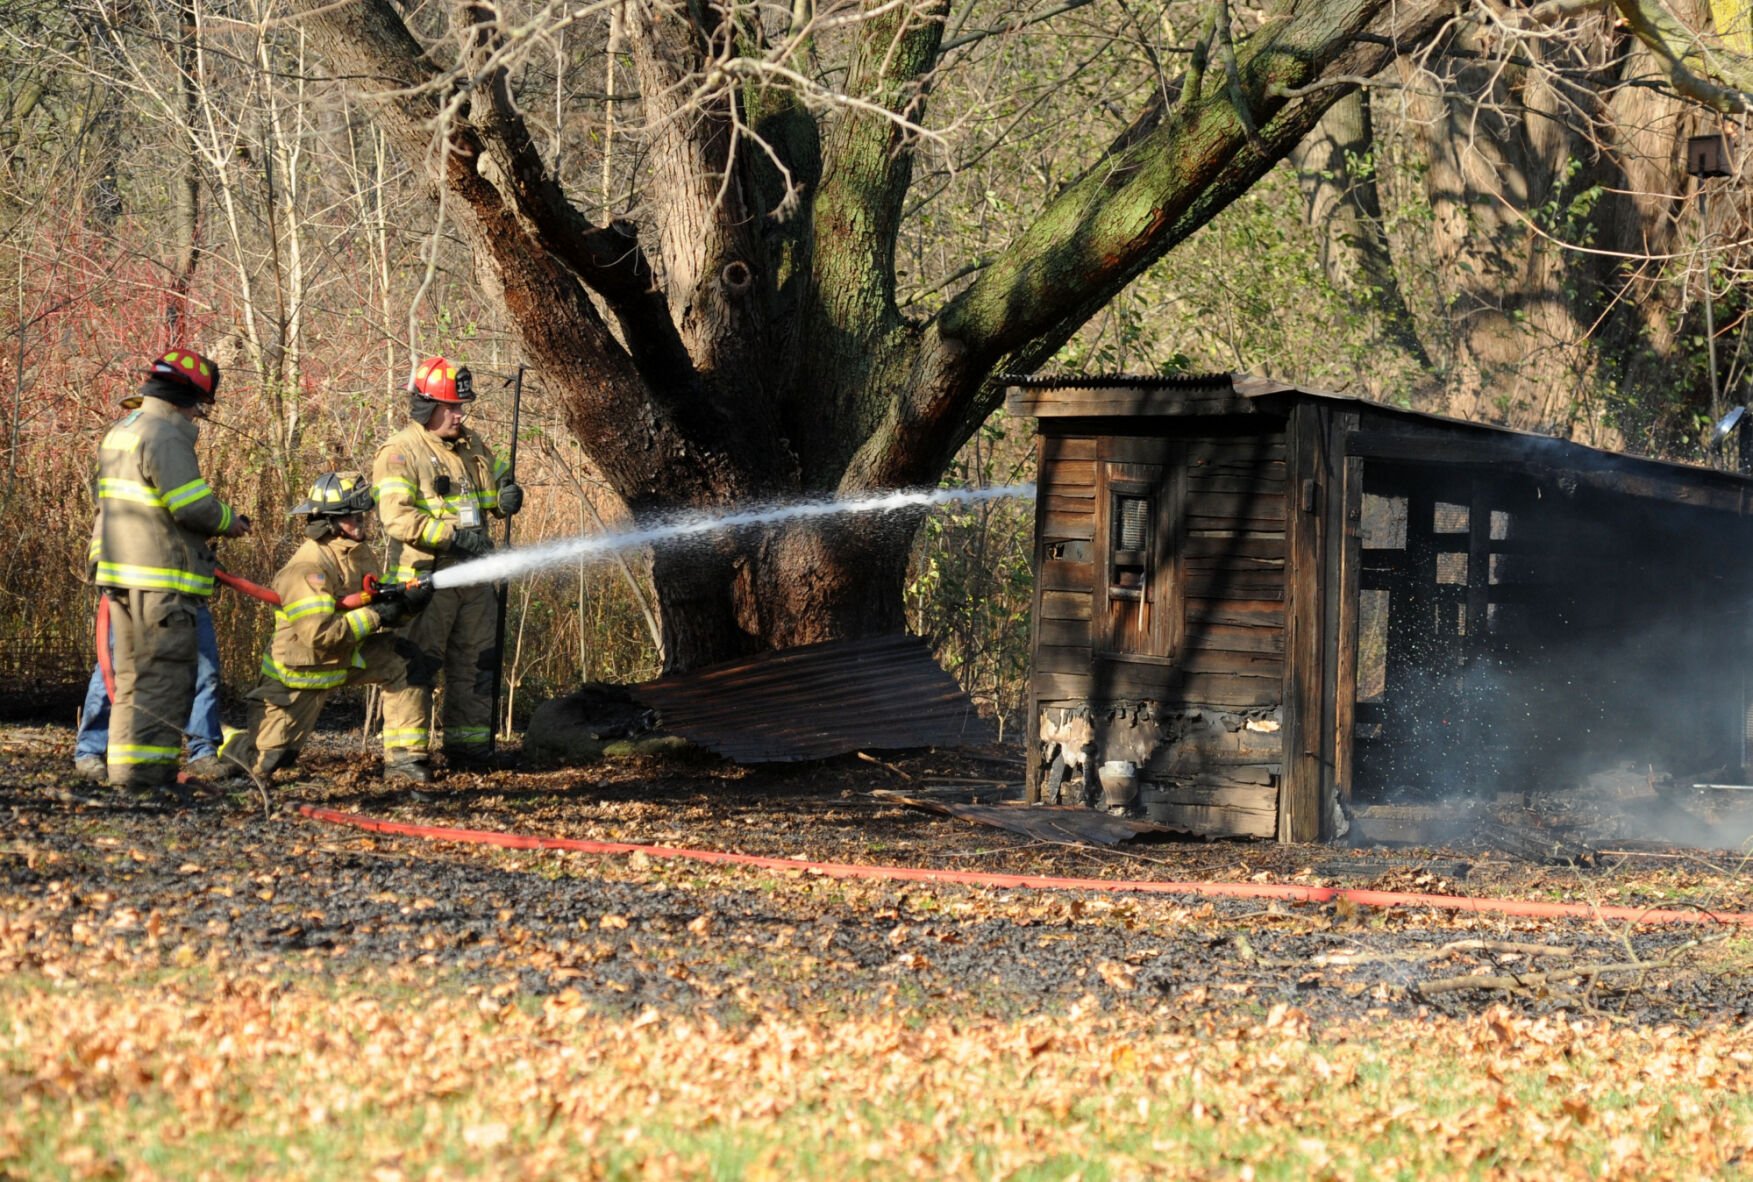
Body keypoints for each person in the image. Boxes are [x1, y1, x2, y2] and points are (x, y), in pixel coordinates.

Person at [91, 348, 250, 794]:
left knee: (133, 680)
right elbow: (190, 505)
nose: (199, 415)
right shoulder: (165, 432)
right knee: (163, 678)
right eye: (200, 404)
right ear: (187, 396)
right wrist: (229, 521)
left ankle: (127, 775)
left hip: (122, 577)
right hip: (159, 582)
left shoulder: (123, 429)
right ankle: (149, 780)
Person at [217, 471, 433, 780]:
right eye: (351, 516)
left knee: (406, 659)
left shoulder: (357, 552)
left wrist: (407, 603)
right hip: (300, 673)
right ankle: (226, 740)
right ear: (328, 521)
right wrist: (378, 615)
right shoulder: (308, 568)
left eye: (361, 514)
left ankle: (405, 763)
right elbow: (321, 634)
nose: (360, 521)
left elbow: (373, 602)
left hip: (345, 658)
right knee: (265, 763)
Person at [372, 356, 523, 782]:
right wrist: (452, 537)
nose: (460, 414)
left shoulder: (472, 443)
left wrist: (507, 495)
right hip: (428, 576)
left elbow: (495, 490)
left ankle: (470, 748)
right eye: (451, 407)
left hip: (475, 576)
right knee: (415, 664)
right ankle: (404, 758)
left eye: (461, 406)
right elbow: (397, 519)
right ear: (426, 407)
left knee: (478, 660)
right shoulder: (400, 452)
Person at [73, 606, 223, 781]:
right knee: (113, 670)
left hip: (188, 600)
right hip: (130, 597)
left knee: (205, 672)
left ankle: (203, 753)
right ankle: (89, 750)